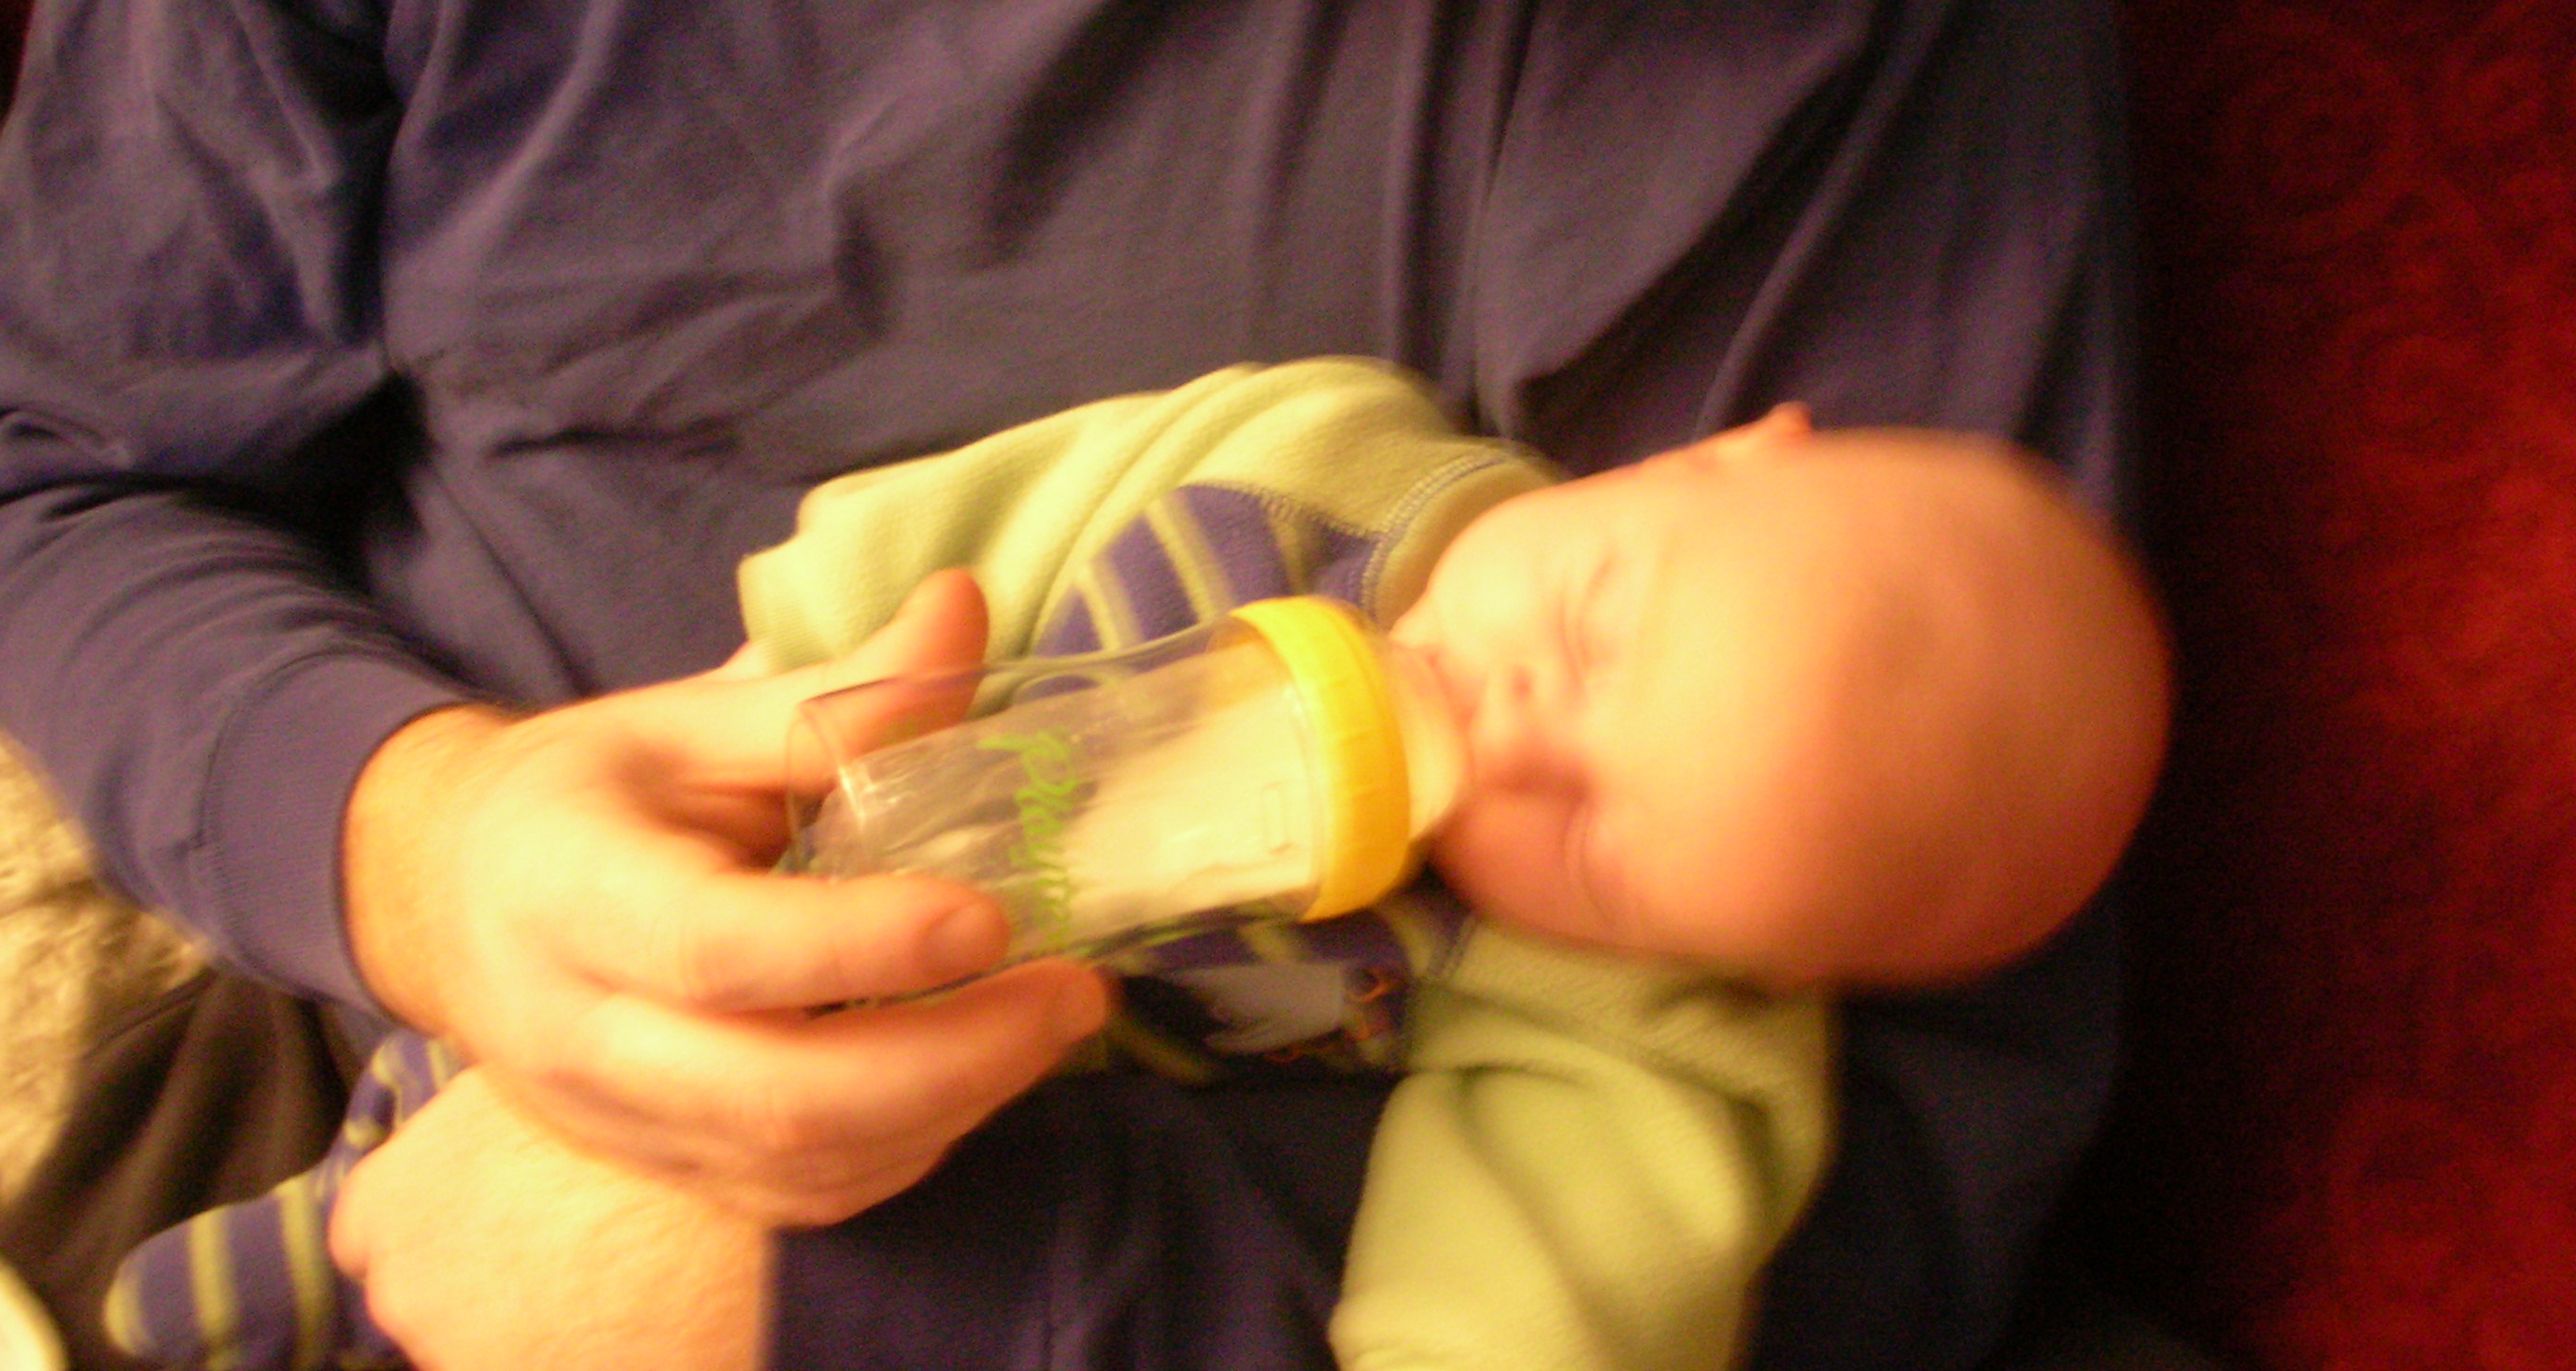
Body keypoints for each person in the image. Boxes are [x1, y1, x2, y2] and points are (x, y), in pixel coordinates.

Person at [0, 0, 2142, 1363]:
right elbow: (65, 472)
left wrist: (867, 1301)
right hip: (347, 1055)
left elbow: (1887, 1151)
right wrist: (421, 850)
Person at [107, 359, 2166, 1371]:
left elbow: (1542, 1308)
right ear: (1712, 454)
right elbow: (1007, 503)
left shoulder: (1648, 1036)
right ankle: (218, 1284)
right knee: (428, 1125)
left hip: (945, 1125)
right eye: (1603, 617)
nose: (1517, 723)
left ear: (1745, 957)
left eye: (1611, 846)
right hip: (784, 838)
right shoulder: (1323, 453)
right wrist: (798, 663)